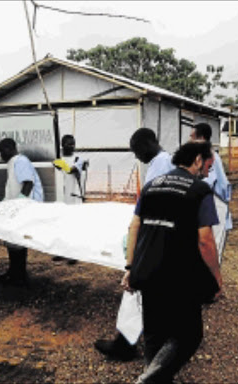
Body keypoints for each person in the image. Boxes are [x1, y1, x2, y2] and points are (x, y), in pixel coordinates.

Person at [122, 141, 223, 384]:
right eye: (209, 165)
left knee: (155, 333)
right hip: (180, 275)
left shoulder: (151, 186)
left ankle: (156, 377)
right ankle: (149, 380)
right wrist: (217, 279)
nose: (209, 171)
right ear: (198, 160)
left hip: (146, 270)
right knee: (190, 335)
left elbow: (134, 226)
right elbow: (205, 241)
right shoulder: (199, 190)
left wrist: (130, 267)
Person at [94, 127, 175, 361]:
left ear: (148, 143)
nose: (137, 156)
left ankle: (126, 345)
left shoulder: (160, 164)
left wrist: (137, 240)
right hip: (163, 235)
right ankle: (149, 341)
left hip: (153, 236)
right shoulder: (166, 161)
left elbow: (152, 205)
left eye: (137, 150)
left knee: (135, 287)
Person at [0, 138, 44, 287]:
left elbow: (28, 183)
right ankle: (13, 272)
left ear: (9, 148)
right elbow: (13, 186)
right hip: (17, 205)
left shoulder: (20, 161)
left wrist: (20, 202)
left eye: (1, 151)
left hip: (24, 206)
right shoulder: (13, 162)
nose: (1, 155)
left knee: (18, 241)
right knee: (13, 241)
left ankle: (20, 275)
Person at [52, 134, 89, 264]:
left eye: (73, 143)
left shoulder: (78, 159)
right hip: (61, 197)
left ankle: (74, 254)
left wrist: (60, 164)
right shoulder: (58, 159)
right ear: (62, 145)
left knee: (74, 225)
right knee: (61, 224)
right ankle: (61, 252)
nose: (71, 146)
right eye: (68, 144)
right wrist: (57, 162)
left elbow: (71, 170)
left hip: (74, 197)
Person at [190, 122, 233, 230]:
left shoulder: (209, 157)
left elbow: (206, 183)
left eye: (192, 137)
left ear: (202, 138)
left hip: (215, 205)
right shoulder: (207, 155)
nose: (190, 140)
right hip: (213, 205)